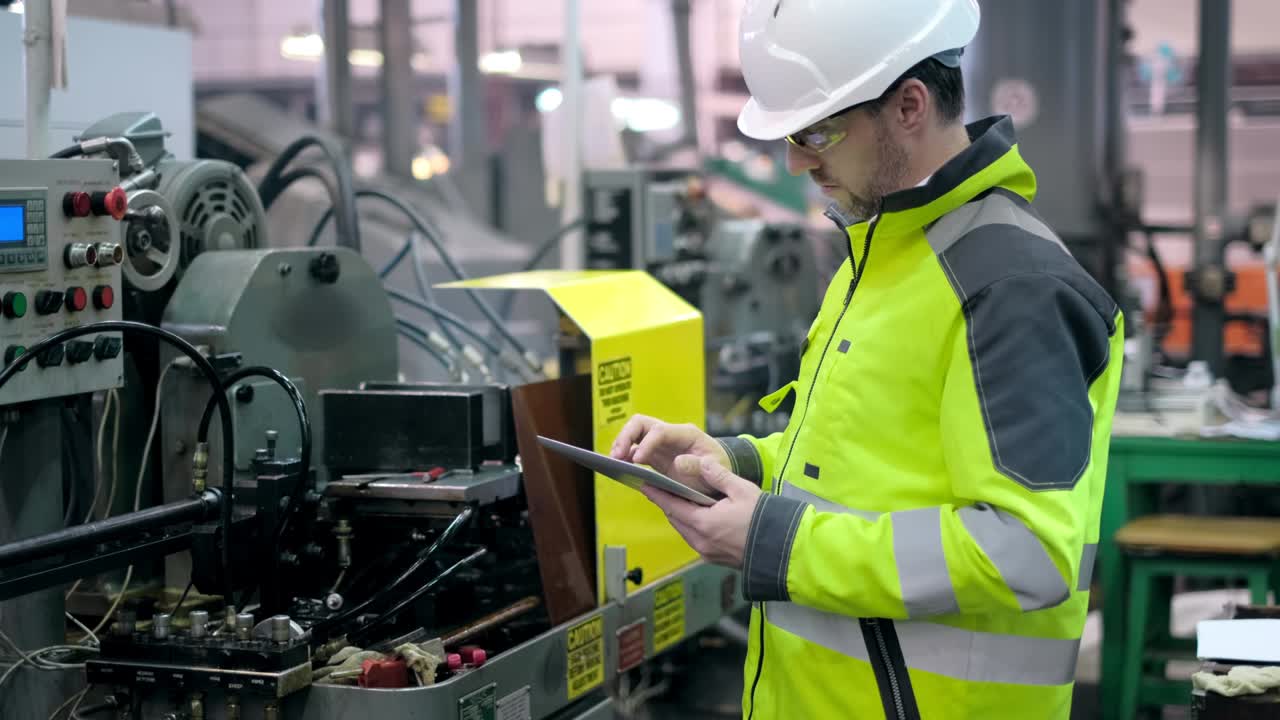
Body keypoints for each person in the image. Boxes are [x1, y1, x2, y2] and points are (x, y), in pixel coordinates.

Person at [609, 0, 1124, 718]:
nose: (795, 159)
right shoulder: (883, 252)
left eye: (815, 130)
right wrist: (737, 464)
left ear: (909, 105)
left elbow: (1027, 551)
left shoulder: (1010, 287)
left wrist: (772, 539)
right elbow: (868, 461)